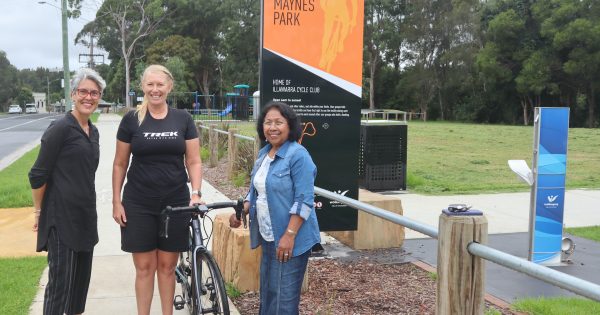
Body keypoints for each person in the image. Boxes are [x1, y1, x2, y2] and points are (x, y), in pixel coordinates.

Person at [112, 64, 203, 315]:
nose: (155, 90)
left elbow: (194, 161)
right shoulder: (131, 120)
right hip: (138, 202)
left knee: (166, 266)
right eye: (150, 85)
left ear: (169, 87)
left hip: (175, 202)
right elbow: (120, 164)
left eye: (160, 85)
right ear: (143, 87)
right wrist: (116, 202)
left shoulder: (183, 118)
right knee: (144, 268)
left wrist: (195, 193)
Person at [229, 101, 320, 314]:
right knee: (269, 294)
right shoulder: (264, 154)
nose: (272, 127)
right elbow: (257, 192)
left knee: (284, 302)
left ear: (290, 126)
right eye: (268, 122)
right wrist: (243, 210)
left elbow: (304, 200)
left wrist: (289, 235)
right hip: (268, 237)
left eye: (278, 122)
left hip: (290, 240)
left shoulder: (299, 155)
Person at [29, 67, 106, 315]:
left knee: (78, 293)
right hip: (61, 220)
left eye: (94, 93)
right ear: (73, 94)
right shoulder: (61, 127)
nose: (88, 97)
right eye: (83, 91)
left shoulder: (92, 131)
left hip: (85, 218)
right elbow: (37, 174)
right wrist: (39, 212)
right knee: (60, 290)